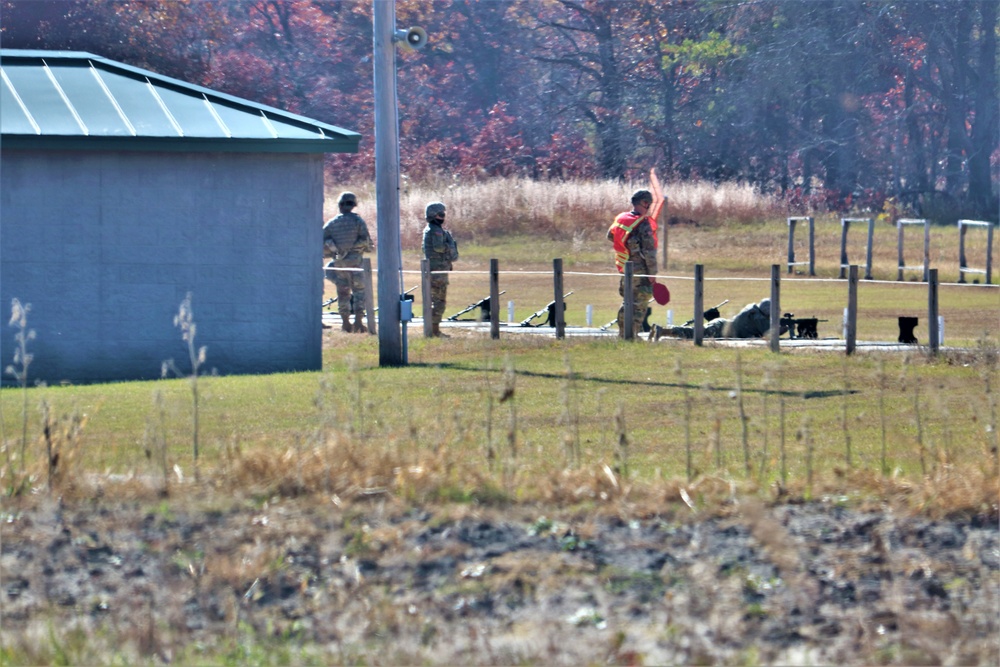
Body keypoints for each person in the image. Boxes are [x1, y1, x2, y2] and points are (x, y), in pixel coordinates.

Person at [608, 189, 658, 338]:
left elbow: (610, 235)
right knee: (639, 304)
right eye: (648, 203)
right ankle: (632, 336)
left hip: (625, 266)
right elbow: (649, 252)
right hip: (641, 270)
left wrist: (628, 248)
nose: (649, 206)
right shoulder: (643, 224)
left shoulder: (622, 219)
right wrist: (652, 274)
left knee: (627, 302)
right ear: (644, 203)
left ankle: (623, 334)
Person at [323, 191, 372, 333]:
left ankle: (345, 323)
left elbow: (322, 245)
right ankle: (358, 322)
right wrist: (352, 249)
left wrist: (336, 251)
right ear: (353, 205)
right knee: (359, 293)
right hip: (356, 264)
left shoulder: (331, 224)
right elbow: (366, 241)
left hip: (339, 264)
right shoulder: (358, 221)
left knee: (343, 293)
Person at [650, 298, 784, 340]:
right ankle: (663, 331)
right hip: (720, 328)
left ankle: (663, 331)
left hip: (722, 325)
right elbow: (770, 333)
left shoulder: (754, 311)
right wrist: (785, 327)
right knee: (694, 333)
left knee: (694, 333)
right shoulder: (757, 316)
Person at [422, 201, 459, 337]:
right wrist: (450, 247)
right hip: (437, 271)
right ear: (433, 215)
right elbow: (439, 248)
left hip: (435, 270)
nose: (443, 216)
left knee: (436, 301)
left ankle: (433, 329)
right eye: (440, 214)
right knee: (439, 302)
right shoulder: (436, 230)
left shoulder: (431, 229)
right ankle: (434, 331)